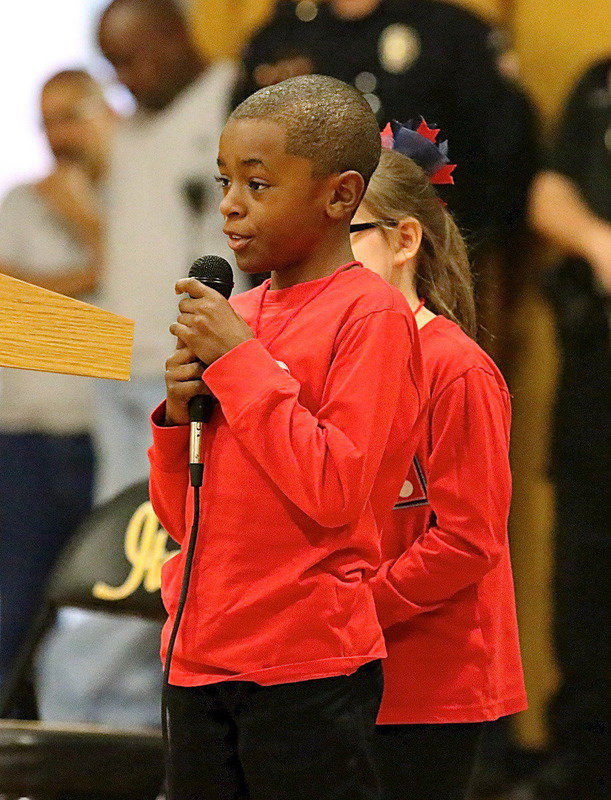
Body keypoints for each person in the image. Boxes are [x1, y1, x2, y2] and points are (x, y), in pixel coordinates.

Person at [149, 74, 426, 799]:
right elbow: (185, 518)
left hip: (305, 664)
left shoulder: (368, 317)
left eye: (258, 184)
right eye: (223, 181)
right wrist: (178, 422)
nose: (229, 205)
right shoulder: (238, 315)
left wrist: (241, 363)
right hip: (200, 654)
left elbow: (335, 491)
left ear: (339, 197)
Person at [348, 119, 527, 800]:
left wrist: (357, 607)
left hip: (430, 676)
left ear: (404, 240)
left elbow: (466, 538)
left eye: (350, 234)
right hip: (342, 665)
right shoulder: (329, 362)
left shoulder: (456, 369)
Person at [96, 0, 248, 501]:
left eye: (130, 59)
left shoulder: (238, 102)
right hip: (118, 369)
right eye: (111, 63)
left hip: (191, 374)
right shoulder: (128, 127)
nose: (122, 78)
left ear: (175, 37)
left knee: (184, 534)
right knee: (118, 552)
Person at [0, 69, 114, 714]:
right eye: (46, 120)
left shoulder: (134, 196)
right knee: (17, 607)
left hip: (109, 434)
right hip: (28, 438)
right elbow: (7, 311)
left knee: (110, 611)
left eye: (70, 115)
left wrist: (87, 231)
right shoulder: (20, 202)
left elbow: (145, 312)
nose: (57, 134)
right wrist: (95, 289)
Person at [522, 58, 610, 800]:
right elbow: (547, 189)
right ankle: (580, 757)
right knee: (585, 567)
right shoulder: (599, 83)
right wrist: (597, 240)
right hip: (597, 365)